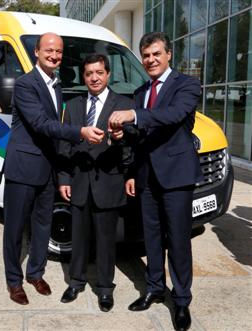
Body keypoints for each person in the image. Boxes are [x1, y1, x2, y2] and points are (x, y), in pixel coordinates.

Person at [108, 32, 202, 331]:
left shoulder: (186, 85)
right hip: (147, 176)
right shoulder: (140, 92)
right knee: (151, 238)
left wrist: (133, 115)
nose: (150, 60)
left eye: (156, 54)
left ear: (168, 54)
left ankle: (182, 300)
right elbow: (140, 138)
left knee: (177, 240)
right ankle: (154, 288)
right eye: (146, 55)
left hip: (176, 176)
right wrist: (126, 140)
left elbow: (172, 116)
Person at [3, 32, 92, 305]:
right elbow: (42, 124)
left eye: (59, 52)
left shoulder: (57, 85)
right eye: (49, 51)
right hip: (23, 167)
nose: (54, 56)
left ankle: (35, 273)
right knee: (16, 228)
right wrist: (80, 131)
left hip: (47, 168)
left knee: (42, 225)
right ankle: (14, 281)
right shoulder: (25, 84)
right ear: (37, 53)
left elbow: (52, 127)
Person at [57, 53, 135, 312]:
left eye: (99, 72)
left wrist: (120, 139)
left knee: (105, 240)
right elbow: (65, 146)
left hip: (108, 183)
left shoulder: (123, 104)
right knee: (78, 238)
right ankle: (75, 282)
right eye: (89, 73)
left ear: (108, 74)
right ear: (84, 76)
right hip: (78, 183)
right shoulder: (74, 105)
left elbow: (133, 146)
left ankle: (104, 288)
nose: (94, 77)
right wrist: (64, 178)